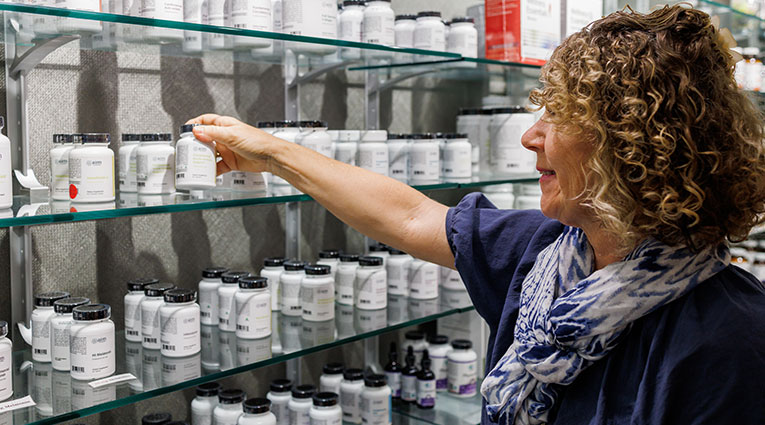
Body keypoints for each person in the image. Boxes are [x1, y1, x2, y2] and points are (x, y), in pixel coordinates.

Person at [188, 5, 765, 424]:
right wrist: (274, 152)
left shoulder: (731, 337)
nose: (529, 136)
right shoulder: (547, 253)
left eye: (559, 116)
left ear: (635, 144)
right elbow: (411, 218)